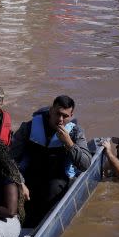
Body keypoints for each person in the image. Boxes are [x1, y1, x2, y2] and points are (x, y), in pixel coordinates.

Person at [10, 95, 92, 226]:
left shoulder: (75, 132)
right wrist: (20, 182)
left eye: (65, 116)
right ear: (50, 111)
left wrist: (69, 143)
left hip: (57, 179)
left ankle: (39, 225)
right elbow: (10, 159)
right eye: (57, 114)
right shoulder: (28, 127)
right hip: (30, 177)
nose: (60, 119)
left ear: (71, 115)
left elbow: (85, 164)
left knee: (51, 190)